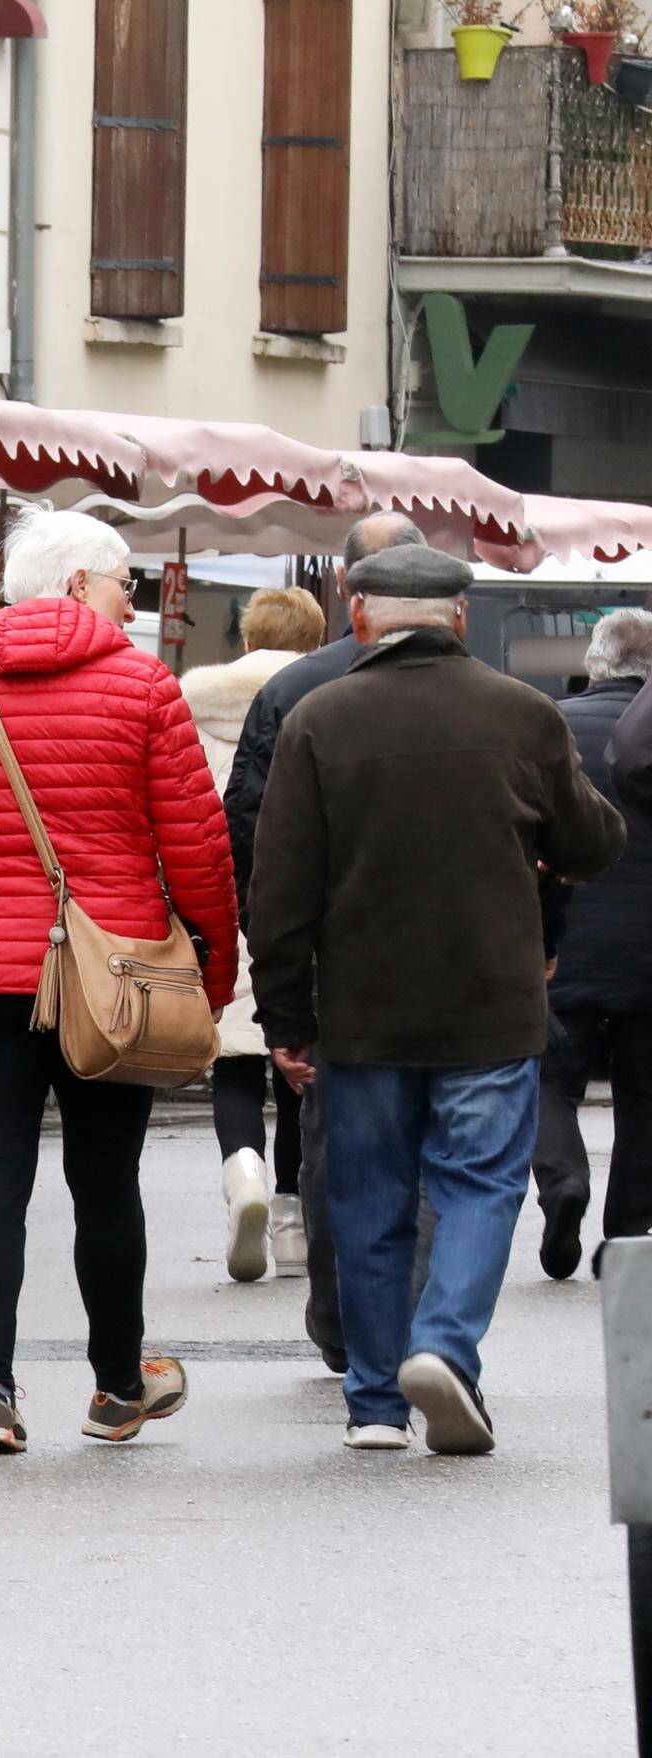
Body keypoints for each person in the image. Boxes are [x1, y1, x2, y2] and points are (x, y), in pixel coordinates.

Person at [0, 507, 238, 1457]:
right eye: (125, 582)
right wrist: (216, 971)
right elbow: (198, 853)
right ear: (80, 585)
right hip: (111, 973)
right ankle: (118, 1386)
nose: (133, 600)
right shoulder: (145, 689)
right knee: (106, 1182)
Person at [250, 545, 625, 1455]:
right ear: (460, 618)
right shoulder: (525, 714)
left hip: (362, 1009)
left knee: (369, 1197)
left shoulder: (319, 719)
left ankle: (375, 1402)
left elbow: (279, 891)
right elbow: (591, 843)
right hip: (490, 1002)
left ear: (360, 612)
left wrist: (286, 1020)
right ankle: (446, 1347)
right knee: (479, 1186)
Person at [224, 512, 429, 1372]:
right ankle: (424, 1328)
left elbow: (250, 832)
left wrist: (274, 971)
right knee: (429, 1144)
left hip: (330, 949)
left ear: (348, 590)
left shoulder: (296, 692)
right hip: (441, 950)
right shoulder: (485, 689)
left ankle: (343, 1322)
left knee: (338, 1132)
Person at [183, 585, 325, 1282]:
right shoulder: (326, 698)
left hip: (215, 904)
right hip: (299, 902)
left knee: (234, 1059)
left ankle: (243, 1173)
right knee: (298, 1058)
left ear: (246, 637)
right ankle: (294, 1220)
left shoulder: (193, 705)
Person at [533, 609, 652, 1279]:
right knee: (644, 1097)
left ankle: (562, 1183)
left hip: (565, 941)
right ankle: (628, 1234)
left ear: (593, 660)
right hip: (646, 955)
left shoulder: (552, 725)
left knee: (551, 1083)